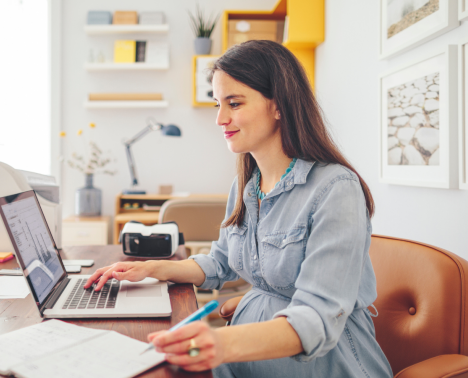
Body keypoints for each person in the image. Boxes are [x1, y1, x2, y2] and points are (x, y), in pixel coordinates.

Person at [84, 40, 393, 378]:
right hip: (247, 357)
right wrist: (153, 269)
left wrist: (222, 342)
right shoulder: (246, 185)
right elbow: (220, 261)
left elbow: (318, 317)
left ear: (279, 106)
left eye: (234, 103)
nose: (220, 118)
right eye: (218, 103)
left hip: (323, 365)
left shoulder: (335, 189)